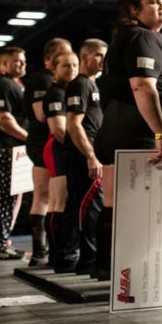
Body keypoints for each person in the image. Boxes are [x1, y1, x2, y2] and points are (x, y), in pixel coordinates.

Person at [94, 0, 162, 281]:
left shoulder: (133, 35)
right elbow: (142, 87)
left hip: (121, 128)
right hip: (140, 134)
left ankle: (109, 271)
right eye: (154, 2)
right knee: (143, 211)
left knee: (114, 204)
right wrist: (161, 133)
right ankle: (137, 276)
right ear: (134, 9)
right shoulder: (143, 37)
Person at [24, 37, 72, 267]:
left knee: (51, 197)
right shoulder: (43, 80)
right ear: (49, 60)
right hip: (45, 142)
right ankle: (40, 251)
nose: (68, 61)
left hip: (50, 143)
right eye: (62, 55)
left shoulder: (60, 84)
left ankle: (45, 251)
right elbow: (41, 115)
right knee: (45, 196)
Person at [61, 39, 108, 274]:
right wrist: (91, 156)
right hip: (81, 156)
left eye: (104, 55)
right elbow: (73, 125)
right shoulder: (79, 85)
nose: (102, 60)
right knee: (89, 210)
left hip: (88, 154)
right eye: (97, 55)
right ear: (84, 56)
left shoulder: (92, 85)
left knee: (91, 209)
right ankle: (88, 261)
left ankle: (85, 260)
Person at [0, 46, 28, 260]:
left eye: (23, 61)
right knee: (5, 196)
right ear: (3, 65)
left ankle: (4, 242)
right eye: (16, 61)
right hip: (4, 146)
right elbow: (2, 119)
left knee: (12, 196)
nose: (21, 64)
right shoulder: (2, 84)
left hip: (15, 147)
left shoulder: (16, 84)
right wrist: (29, 137)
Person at [41, 49, 80, 272]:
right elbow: (59, 130)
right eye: (65, 65)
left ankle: (61, 253)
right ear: (54, 69)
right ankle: (59, 255)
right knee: (58, 202)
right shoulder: (55, 93)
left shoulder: (71, 90)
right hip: (59, 148)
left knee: (64, 202)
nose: (71, 69)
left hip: (67, 148)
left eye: (74, 65)